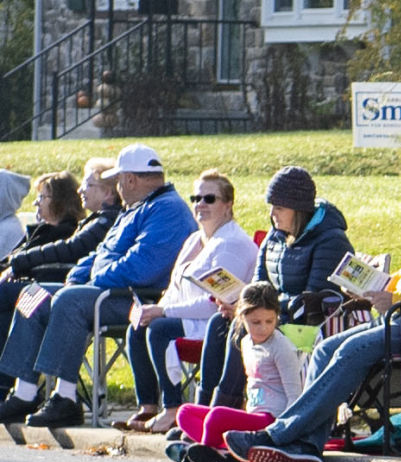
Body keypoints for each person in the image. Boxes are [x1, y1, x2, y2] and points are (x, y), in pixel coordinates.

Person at [224, 136, 401, 462]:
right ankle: (307, 449)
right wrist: (378, 287)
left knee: (351, 350)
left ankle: (279, 434)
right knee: (324, 349)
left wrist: (396, 297)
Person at [0, 144, 194, 428]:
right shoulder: (136, 208)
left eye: (119, 180)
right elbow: (99, 253)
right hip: (109, 290)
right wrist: (76, 278)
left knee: (70, 300)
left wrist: (89, 284)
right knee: (33, 294)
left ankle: (65, 398)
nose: (117, 187)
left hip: (139, 298)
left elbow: (140, 267)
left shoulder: (168, 210)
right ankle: (25, 392)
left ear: (130, 179)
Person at [196, 166, 352, 410]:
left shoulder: (330, 240)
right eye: (271, 207)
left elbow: (312, 300)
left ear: (298, 209)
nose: (272, 214)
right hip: (274, 315)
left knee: (243, 329)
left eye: (279, 208)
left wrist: (257, 310)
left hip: (306, 327)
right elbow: (259, 283)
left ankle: (223, 409)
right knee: (220, 323)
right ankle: (203, 407)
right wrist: (241, 304)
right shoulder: (274, 236)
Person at [115, 170, 258, 433]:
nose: (200, 204)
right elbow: (175, 287)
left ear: (228, 205)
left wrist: (162, 311)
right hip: (188, 316)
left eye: (209, 198)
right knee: (138, 326)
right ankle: (148, 407)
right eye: (195, 198)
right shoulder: (195, 238)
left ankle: (172, 409)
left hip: (218, 323)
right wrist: (150, 310)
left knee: (159, 329)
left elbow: (214, 302)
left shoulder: (231, 244)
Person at [165, 281, 304, 462]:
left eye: (269, 321)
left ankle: (207, 452)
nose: (263, 328)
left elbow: (295, 395)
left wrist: (285, 433)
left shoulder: (281, 347)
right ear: (242, 317)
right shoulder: (246, 342)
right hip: (253, 414)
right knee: (185, 412)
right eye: (256, 322)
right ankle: (228, 453)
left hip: (271, 419)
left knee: (217, 416)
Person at [1, 170, 81, 266]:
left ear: (60, 200)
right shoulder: (39, 230)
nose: (35, 203)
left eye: (42, 197)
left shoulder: (64, 236)